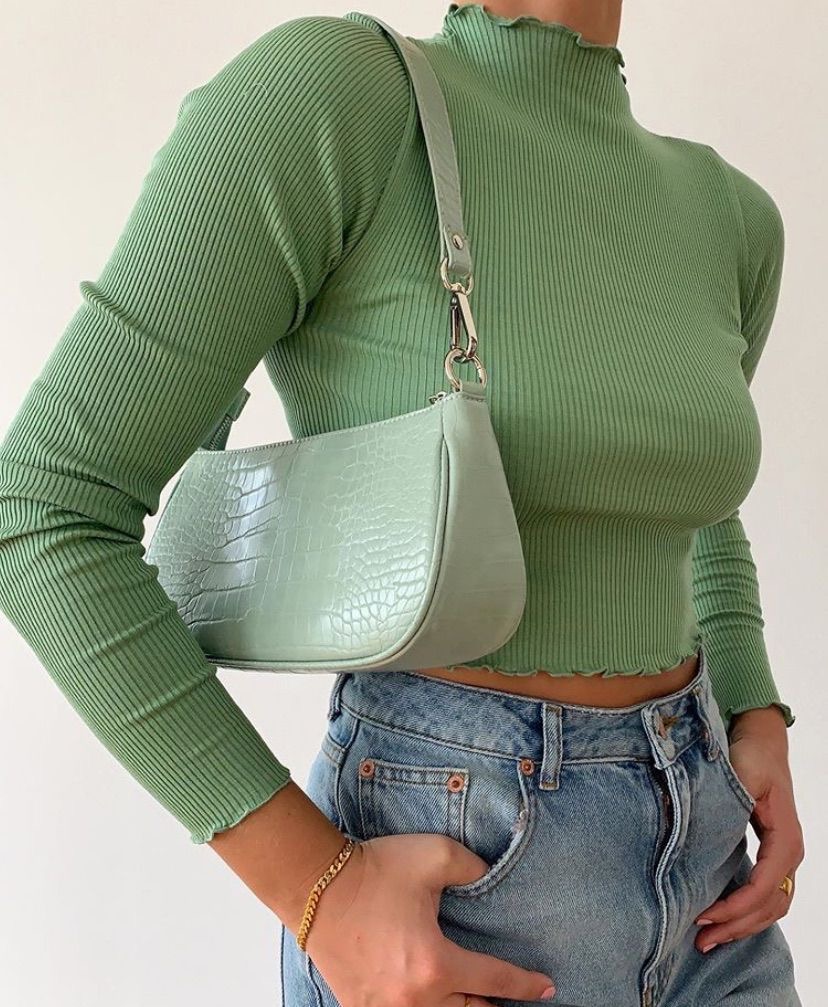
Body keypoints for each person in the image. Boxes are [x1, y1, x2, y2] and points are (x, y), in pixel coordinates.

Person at [0, 1, 803, 1004]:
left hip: (714, 881)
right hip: (459, 878)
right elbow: (45, 504)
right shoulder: (342, 97)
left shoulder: (730, 213)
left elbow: (685, 504)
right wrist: (322, 892)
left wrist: (754, 711)